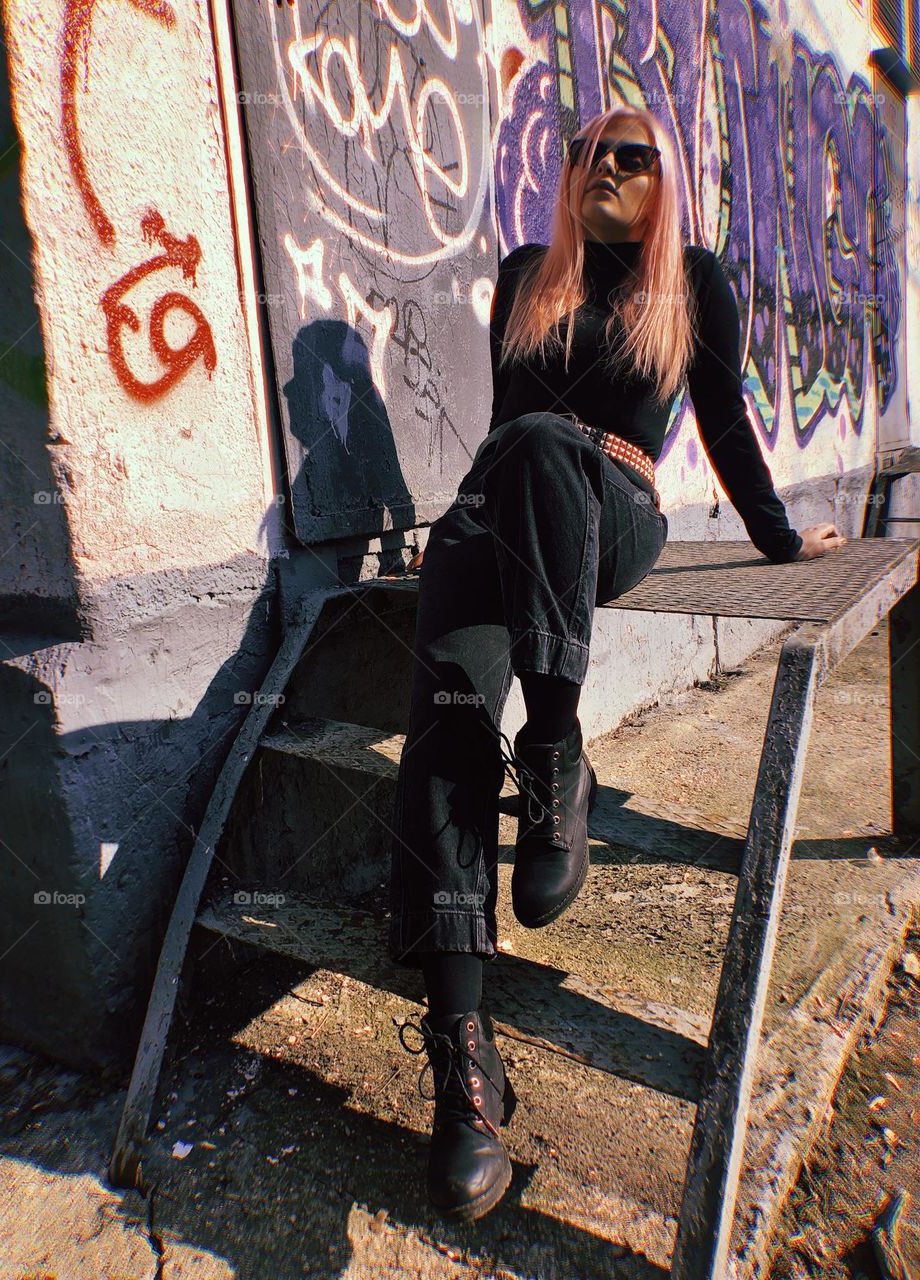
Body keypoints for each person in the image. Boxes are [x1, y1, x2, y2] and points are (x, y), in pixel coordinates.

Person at [386, 105, 846, 1223]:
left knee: (549, 443)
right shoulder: (522, 273)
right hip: (498, 520)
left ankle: (553, 747)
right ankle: (465, 1067)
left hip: (614, 505)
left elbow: (730, 425)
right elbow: (504, 422)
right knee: (443, 728)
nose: (605, 166)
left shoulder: (692, 277)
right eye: (588, 152)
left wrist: (785, 538)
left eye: (632, 155)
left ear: (665, 178)